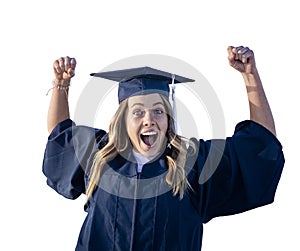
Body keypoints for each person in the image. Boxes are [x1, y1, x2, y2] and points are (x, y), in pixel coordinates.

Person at [43, 46, 284, 251]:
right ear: (123, 120)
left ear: (168, 119)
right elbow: (60, 138)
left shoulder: (194, 164)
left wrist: (250, 76)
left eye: (158, 111)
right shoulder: (100, 156)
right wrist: (61, 86)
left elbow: (260, 148)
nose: (149, 120)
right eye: (138, 112)